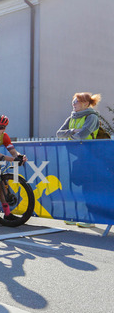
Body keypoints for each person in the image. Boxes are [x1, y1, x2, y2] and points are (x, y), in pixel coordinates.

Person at [56, 92, 102, 227]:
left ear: (85, 103)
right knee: (75, 186)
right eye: (73, 101)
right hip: (77, 157)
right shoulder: (72, 117)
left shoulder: (91, 116)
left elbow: (82, 135)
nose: (73, 103)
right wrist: (73, 131)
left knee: (89, 188)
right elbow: (59, 134)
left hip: (90, 157)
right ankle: (75, 215)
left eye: (76, 101)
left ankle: (92, 219)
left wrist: (72, 133)